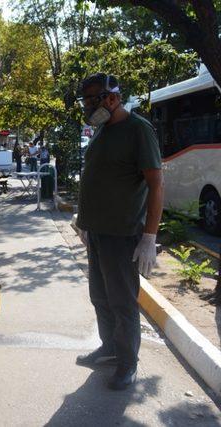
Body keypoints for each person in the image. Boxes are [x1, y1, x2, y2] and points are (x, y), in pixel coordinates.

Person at [75, 73, 163, 390]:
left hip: (122, 233)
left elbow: (155, 185)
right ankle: (110, 349)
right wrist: (83, 220)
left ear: (112, 98)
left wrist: (149, 237)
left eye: (91, 101)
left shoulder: (138, 130)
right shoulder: (101, 131)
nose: (87, 107)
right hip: (97, 232)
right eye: (85, 101)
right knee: (100, 296)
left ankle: (128, 363)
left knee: (123, 302)